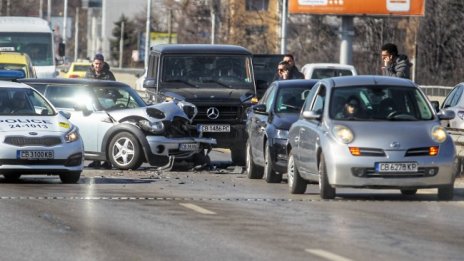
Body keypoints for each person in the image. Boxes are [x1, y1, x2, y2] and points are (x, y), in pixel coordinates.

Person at [85, 53, 115, 169]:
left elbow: (113, 90)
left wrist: (106, 96)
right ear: (93, 63)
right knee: (94, 133)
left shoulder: (108, 75)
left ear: (103, 63)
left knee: (106, 133)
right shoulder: (88, 74)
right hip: (92, 107)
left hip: (106, 107)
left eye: (100, 64)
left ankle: (108, 161)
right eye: (96, 63)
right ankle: (96, 161)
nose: (98, 66)